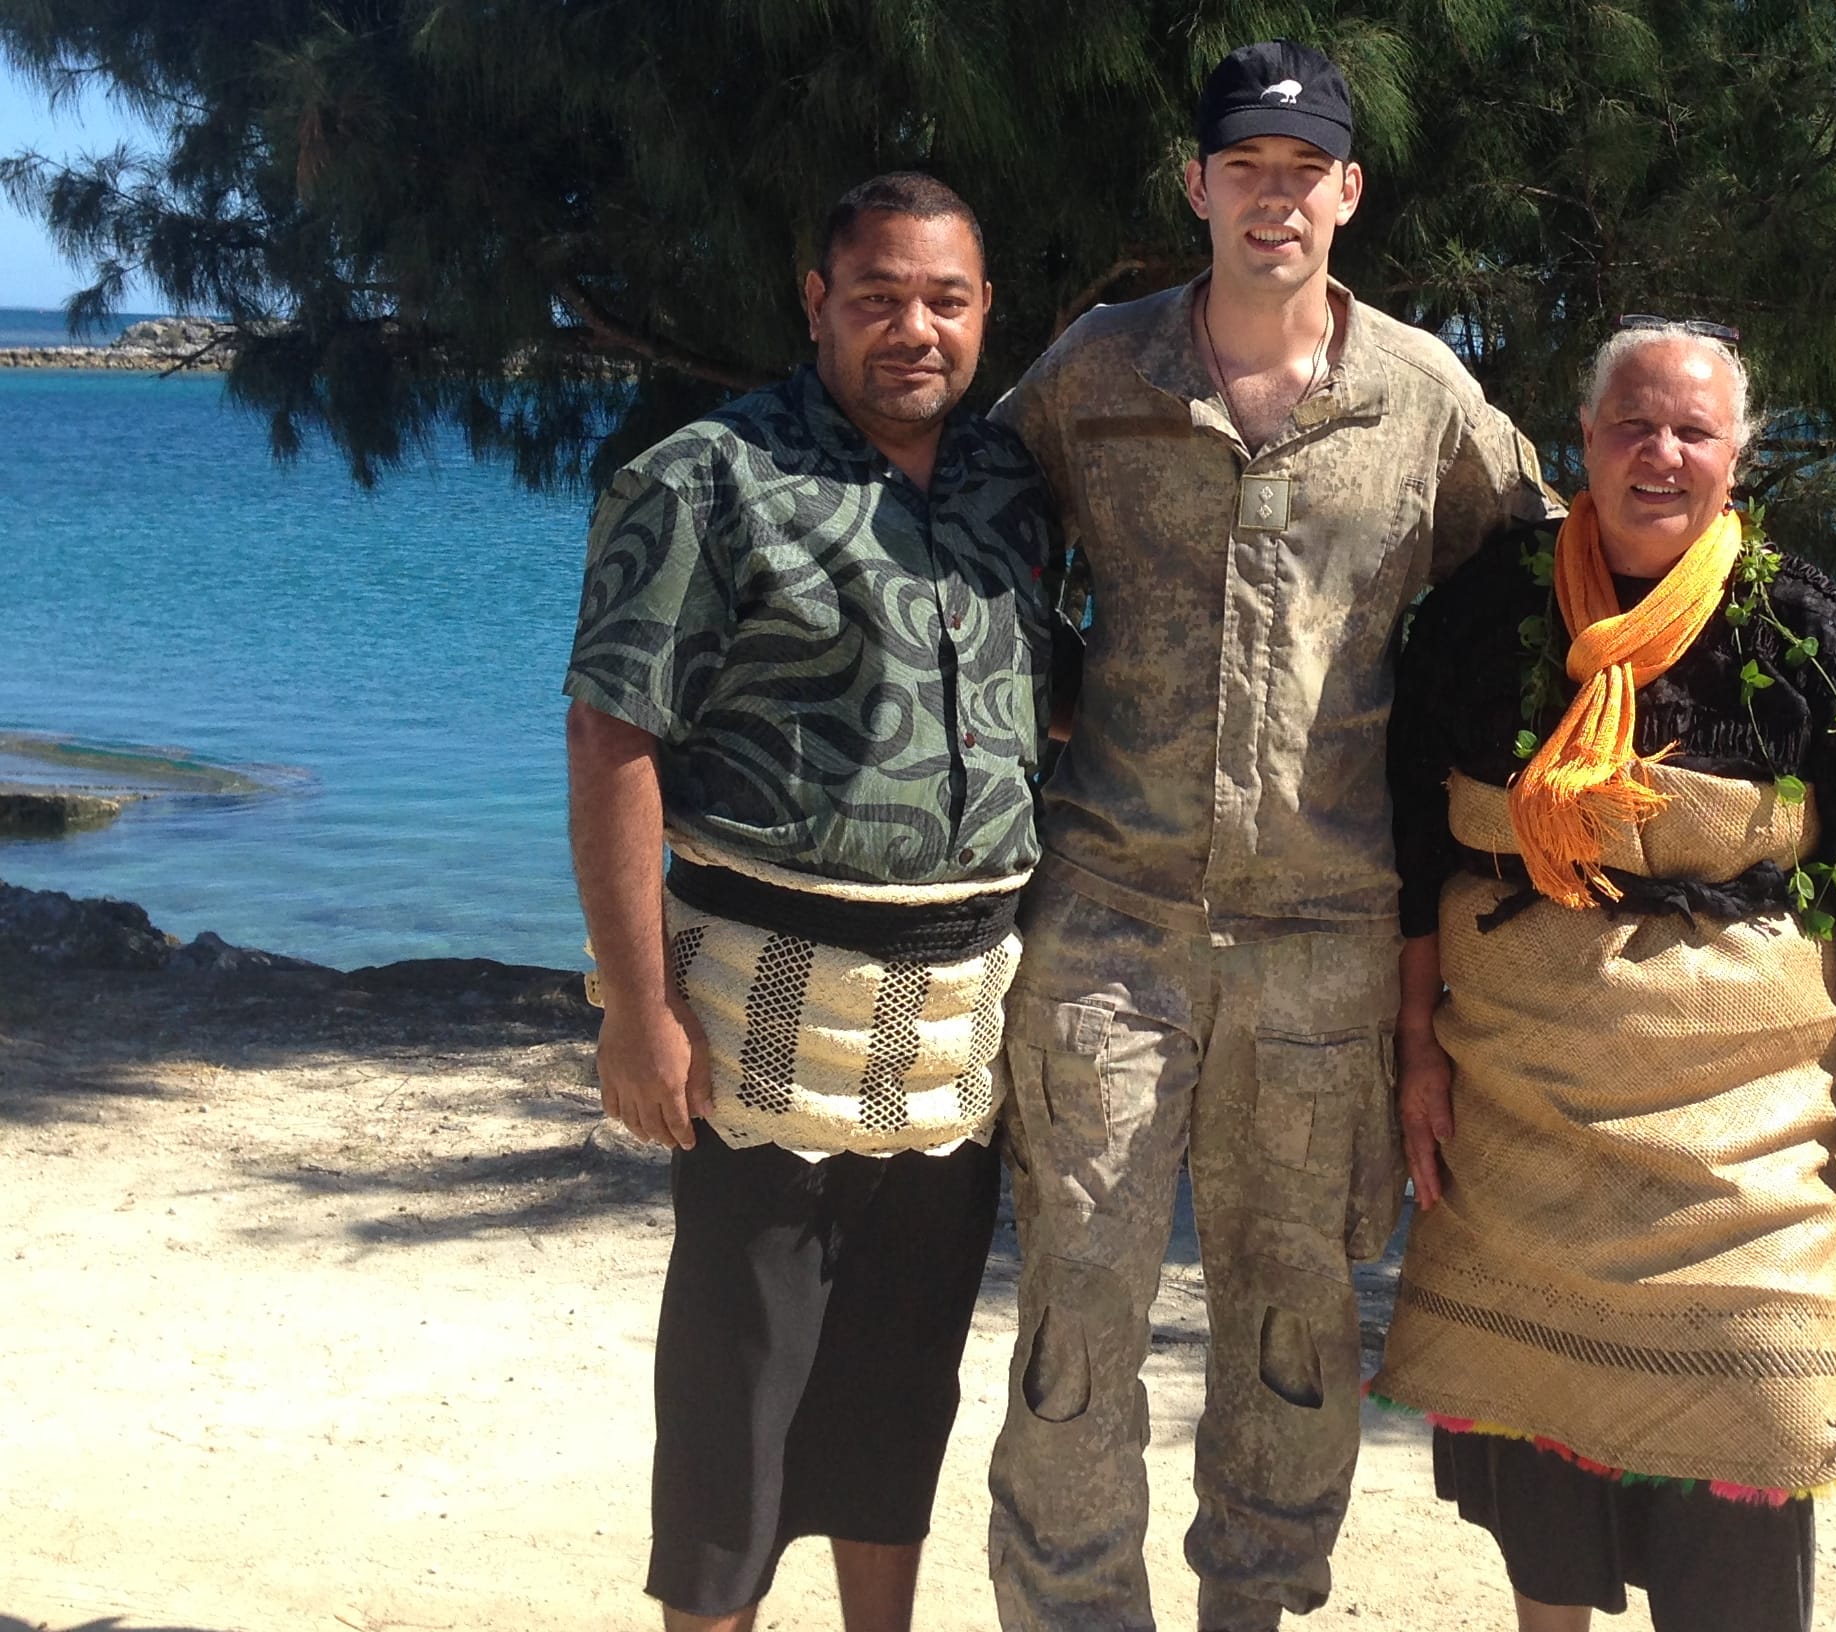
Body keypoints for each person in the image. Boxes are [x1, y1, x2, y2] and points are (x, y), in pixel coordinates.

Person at [984, 38, 1557, 1632]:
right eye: (1244, 171)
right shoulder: (1094, 374)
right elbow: (965, 540)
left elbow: (1533, 596)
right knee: (1078, 1307)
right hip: (1110, 915)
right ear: (1196, 187)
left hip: (1324, 938)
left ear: (1348, 196)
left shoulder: (1422, 398)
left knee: (1295, 1321)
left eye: (1304, 176)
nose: (1273, 201)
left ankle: (1254, 1605)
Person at [1368, 321, 1836, 1632]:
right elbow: (1411, 849)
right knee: (1535, 1428)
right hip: (1517, 1102)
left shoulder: (1810, 635)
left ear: (1737, 457)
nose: (1659, 452)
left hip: (1745, 1133)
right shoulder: (1483, 614)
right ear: (1582, 441)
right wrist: (1413, 1053)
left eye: (1691, 431)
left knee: (1756, 1399)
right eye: (1631, 424)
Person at [563, 172, 1057, 1632]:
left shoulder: (1004, 481)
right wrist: (636, 1009)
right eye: (878, 296)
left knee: (901, 1372)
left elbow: (1038, 696)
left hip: (959, 1022)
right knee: (739, 1374)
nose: (914, 327)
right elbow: (612, 737)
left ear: (984, 313)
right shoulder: (702, 478)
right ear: (815, 302)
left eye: (945, 299)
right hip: (759, 1002)